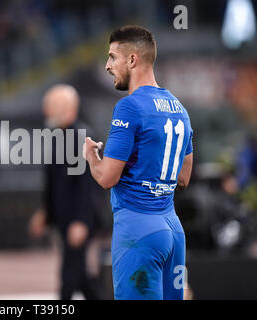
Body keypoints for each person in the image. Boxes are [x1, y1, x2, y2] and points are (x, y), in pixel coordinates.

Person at [84, 25, 193, 300]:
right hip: (172, 231)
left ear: (132, 59)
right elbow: (183, 178)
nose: (108, 66)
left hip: (138, 230)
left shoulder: (128, 107)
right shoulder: (180, 109)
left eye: (112, 57)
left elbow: (107, 178)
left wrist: (91, 157)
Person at [29, 84, 105, 300]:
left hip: (78, 221)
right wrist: (46, 212)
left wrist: (81, 220)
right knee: (80, 276)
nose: (47, 112)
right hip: (65, 219)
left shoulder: (83, 138)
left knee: (69, 277)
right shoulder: (57, 137)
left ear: (69, 108)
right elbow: (53, 182)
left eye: (51, 106)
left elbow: (88, 185)